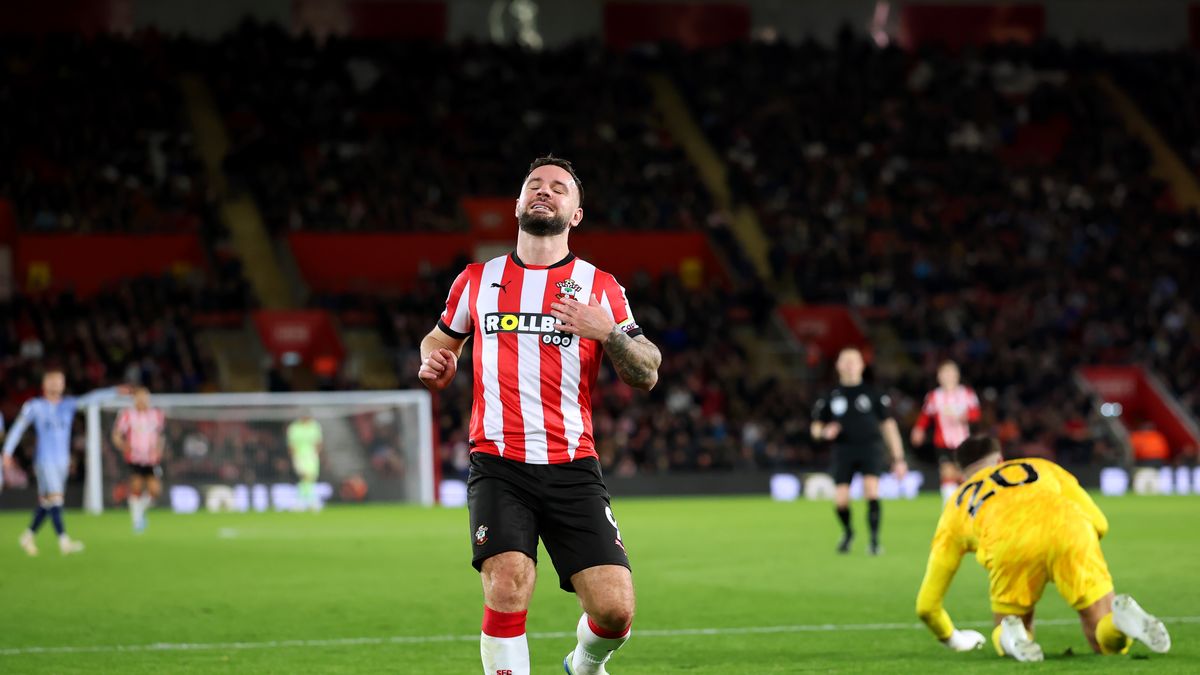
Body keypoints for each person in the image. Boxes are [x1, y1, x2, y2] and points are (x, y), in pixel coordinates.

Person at [418, 156, 661, 675]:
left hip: (572, 465)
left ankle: (584, 664)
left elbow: (647, 372)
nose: (544, 191)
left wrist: (610, 333)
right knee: (507, 584)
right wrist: (435, 361)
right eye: (534, 185)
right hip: (499, 460)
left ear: (576, 214)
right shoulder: (476, 280)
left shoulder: (601, 286)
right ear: (518, 205)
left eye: (559, 188)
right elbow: (440, 339)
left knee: (615, 611)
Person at [915, 435, 1171, 661]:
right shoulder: (1041, 466)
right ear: (1000, 459)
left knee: (1013, 625)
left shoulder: (957, 503)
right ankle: (1118, 622)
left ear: (963, 473)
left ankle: (1011, 633)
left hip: (1009, 543)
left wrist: (951, 638)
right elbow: (1100, 523)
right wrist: (1075, 546)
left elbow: (926, 606)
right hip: (1069, 527)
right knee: (1102, 637)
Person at [2, 369, 128, 556]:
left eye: (59, 381)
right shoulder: (34, 406)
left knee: (47, 503)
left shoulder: (68, 405)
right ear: (44, 385)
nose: (56, 384)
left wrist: (114, 391)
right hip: (45, 460)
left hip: (62, 461)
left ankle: (28, 536)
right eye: (52, 381)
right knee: (57, 499)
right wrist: (7, 452)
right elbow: (18, 428)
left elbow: (91, 398)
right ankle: (64, 541)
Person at [811, 346, 907, 555]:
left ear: (862, 366)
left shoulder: (873, 393)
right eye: (845, 360)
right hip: (843, 450)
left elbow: (889, 426)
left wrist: (898, 458)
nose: (850, 365)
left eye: (854, 360)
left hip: (870, 448)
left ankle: (874, 541)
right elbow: (815, 427)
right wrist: (824, 432)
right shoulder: (830, 395)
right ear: (838, 366)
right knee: (841, 501)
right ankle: (848, 532)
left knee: (871, 491)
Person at [911, 360, 981, 502]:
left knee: (963, 475)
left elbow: (976, 414)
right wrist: (918, 429)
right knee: (947, 473)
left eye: (951, 372)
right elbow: (925, 416)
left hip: (963, 442)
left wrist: (965, 416)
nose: (948, 376)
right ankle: (948, 506)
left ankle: (967, 506)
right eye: (945, 373)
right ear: (939, 376)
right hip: (942, 442)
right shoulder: (934, 396)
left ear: (957, 375)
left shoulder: (966, 394)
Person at [112, 386, 166, 532]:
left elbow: (160, 436)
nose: (143, 400)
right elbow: (117, 434)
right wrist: (123, 446)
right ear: (134, 399)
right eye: (140, 397)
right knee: (136, 487)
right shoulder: (127, 415)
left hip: (151, 459)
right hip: (134, 457)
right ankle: (136, 521)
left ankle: (139, 513)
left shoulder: (156, 415)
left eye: (145, 396)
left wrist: (159, 449)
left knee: (155, 490)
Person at [287, 411, 323, 511]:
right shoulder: (294, 427)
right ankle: (311, 501)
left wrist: (315, 454)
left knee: (310, 478)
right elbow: (291, 443)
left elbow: (318, 442)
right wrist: (295, 456)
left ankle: (301, 501)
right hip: (299, 455)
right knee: (305, 476)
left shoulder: (315, 426)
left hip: (311, 455)